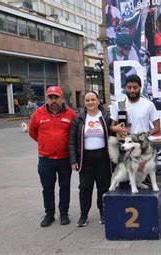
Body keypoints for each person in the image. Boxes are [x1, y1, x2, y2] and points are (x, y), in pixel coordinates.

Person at [28, 86, 76, 227]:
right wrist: (45, 143)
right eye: (51, 97)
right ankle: (49, 215)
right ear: (47, 99)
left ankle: (64, 214)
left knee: (65, 187)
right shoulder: (38, 114)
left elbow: (74, 134)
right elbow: (32, 132)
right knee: (47, 188)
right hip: (45, 159)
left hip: (64, 159)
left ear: (62, 98)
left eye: (56, 97)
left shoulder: (71, 114)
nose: (53, 100)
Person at [69, 92, 113, 227]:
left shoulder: (106, 116)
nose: (90, 102)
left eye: (93, 99)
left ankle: (103, 213)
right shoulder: (79, 118)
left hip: (103, 158)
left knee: (103, 187)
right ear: (84, 102)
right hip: (85, 158)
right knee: (85, 188)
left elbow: (113, 133)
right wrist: (73, 160)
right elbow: (72, 140)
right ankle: (84, 215)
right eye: (87, 100)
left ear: (98, 101)